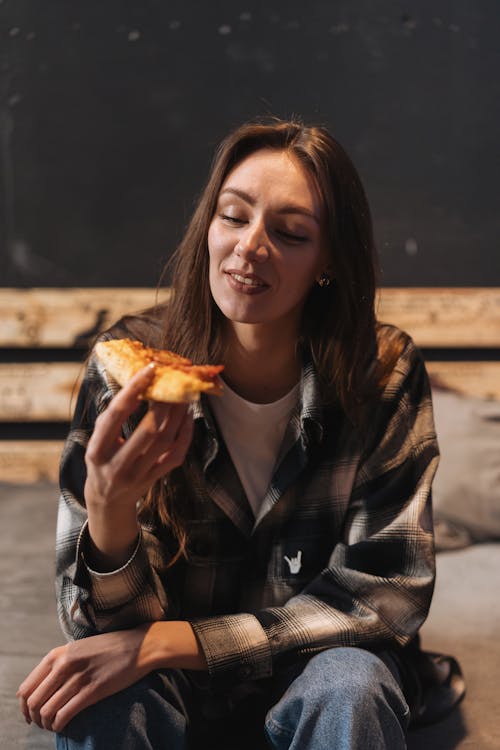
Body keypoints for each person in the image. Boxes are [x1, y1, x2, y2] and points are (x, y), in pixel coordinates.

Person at [17, 118, 462, 749]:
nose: (250, 247)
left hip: (315, 669)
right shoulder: (129, 368)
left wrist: (181, 641)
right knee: (99, 701)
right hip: (170, 683)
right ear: (208, 226)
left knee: (353, 686)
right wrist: (110, 509)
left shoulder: (382, 372)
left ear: (328, 259)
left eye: (289, 233)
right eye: (233, 217)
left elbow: (388, 594)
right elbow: (96, 626)